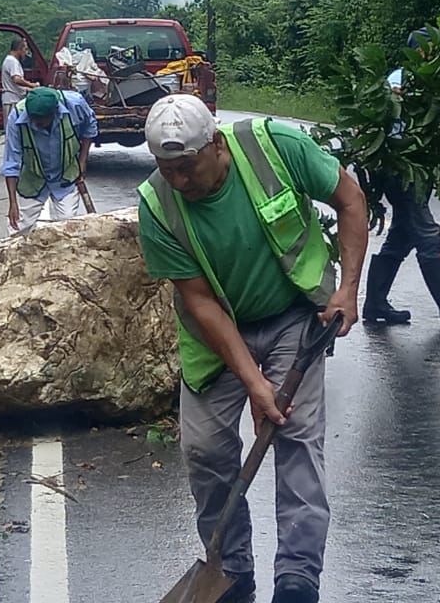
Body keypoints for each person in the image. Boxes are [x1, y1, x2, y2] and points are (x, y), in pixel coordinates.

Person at [137, 94, 368, 603]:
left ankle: (297, 580)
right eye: (166, 168)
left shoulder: (275, 147)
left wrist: (347, 289)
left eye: (187, 167)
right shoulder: (156, 204)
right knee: (205, 451)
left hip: (291, 315)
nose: (178, 181)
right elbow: (199, 302)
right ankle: (233, 572)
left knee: (298, 440)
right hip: (215, 334)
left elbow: (350, 199)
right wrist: (253, 382)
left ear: (216, 144)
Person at [362, 30, 440, 327]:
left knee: (401, 237)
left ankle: (375, 303)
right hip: (400, 170)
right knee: (428, 236)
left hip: (417, 170)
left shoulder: (434, 83)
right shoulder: (398, 82)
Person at [0, 87, 97, 234]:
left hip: (65, 175)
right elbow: (11, 162)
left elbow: (90, 127)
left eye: (41, 121)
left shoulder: (74, 104)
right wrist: (13, 203)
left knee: (67, 227)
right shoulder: (17, 117)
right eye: (33, 119)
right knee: (17, 227)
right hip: (33, 179)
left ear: (55, 112)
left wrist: (82, 160)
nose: (36, 123)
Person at [0, 37, 37, 117]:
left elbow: (14, 85)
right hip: (12, 100)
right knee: (13, 126)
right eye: (25, 49)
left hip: (13, 98)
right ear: (19, 49)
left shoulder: (11, 60)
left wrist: (29, 89)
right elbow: (16, 79)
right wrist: (31, 85)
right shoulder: (12, 61)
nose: (26, 52)